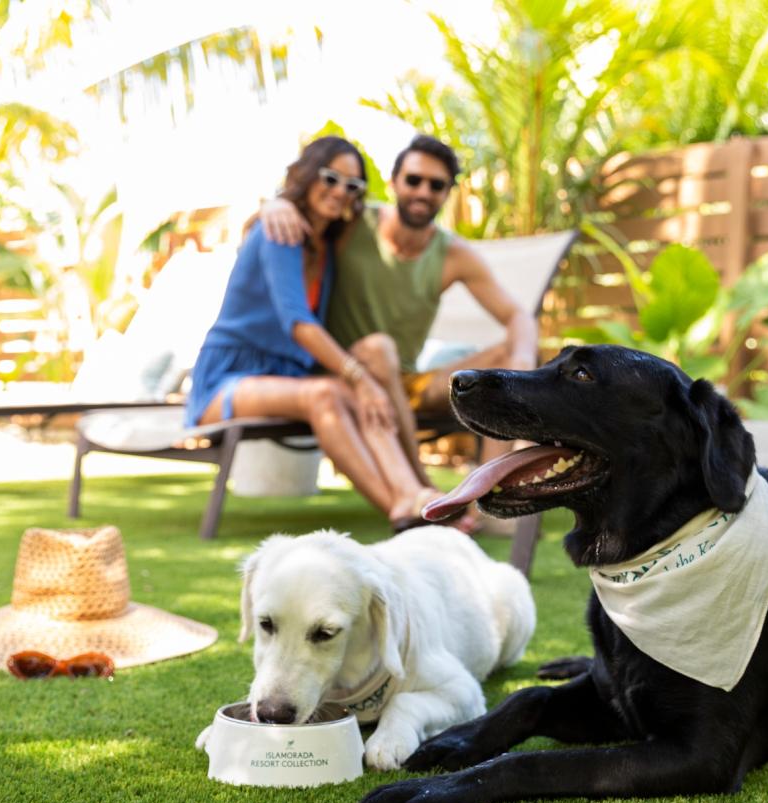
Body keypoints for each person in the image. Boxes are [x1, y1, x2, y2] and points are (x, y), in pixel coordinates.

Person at [184, 136, 460, 532]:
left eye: (353, 186)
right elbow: (297, 323)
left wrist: (365, 380)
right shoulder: (279, 232)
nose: (340, 191)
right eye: (331, 178)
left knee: (353, 388)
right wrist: (359, 376)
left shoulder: (328, 243)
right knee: (330, 392)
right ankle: (403, 508)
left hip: (288, 377)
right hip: (227, 380)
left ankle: (413, 495)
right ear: (309, 174)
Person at [260, 135, 538, 502]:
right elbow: (300, 215)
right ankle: (425, 491)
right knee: (379, 348)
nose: (423, 191)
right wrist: (274, 205)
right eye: (413, 180)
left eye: (436, 185)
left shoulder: (454, 253)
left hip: (406, 382)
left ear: (447, 193)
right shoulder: (352, 222)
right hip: (343, 375)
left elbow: (517, 314)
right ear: (393, 183)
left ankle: (489, 497)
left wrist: (520, 361)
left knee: (506, 361)